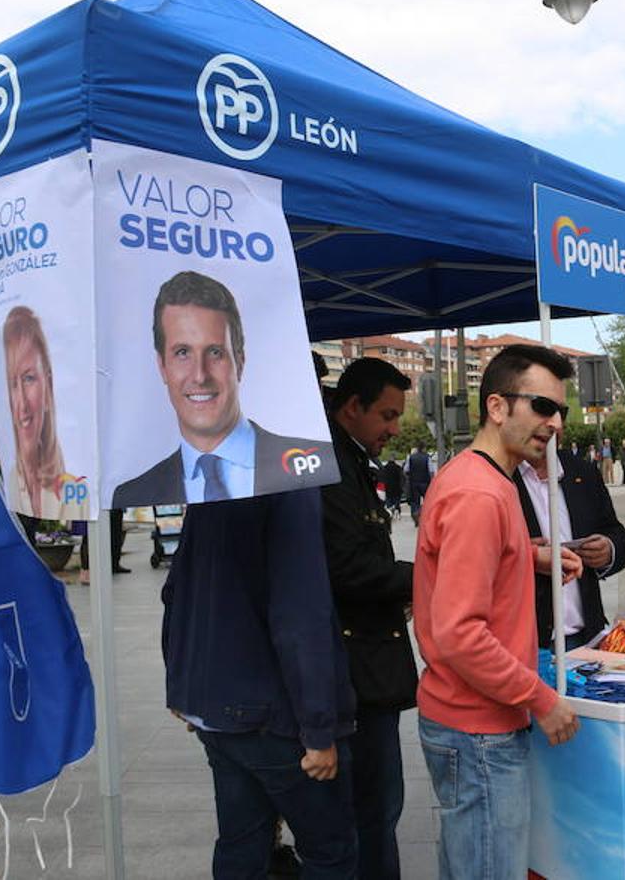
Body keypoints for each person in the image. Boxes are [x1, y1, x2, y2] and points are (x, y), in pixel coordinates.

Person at [415, 344, 583, 879]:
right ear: (496, 407)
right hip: (479, 730)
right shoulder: (480, 494)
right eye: (541, 406)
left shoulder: (485, 478)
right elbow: (460, 632)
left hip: (472, 725)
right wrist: (541, 698)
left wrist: (525, 558)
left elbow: (460, 570)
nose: (554, 423)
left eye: (559, 410)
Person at [163, 488, 358, 877]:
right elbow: (301, 615)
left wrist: (185, 687)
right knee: (330, 853)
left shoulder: (215, 479)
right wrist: (319, 730)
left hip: (217, 705)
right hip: (275, 713)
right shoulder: (289, 481)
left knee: (241, 846)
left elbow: (177, 590)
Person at [111, 271, 326, 508]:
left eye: (215, 352)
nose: (200, 375)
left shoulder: (311, 465)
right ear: (162, 366)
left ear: (240, 362)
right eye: (183, 352)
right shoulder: (132, 494)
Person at [322, 357, 417, 879]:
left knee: (376, 808)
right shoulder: (330, 468)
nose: (394, 429)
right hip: (354, 668)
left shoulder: (351, 461)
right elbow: (349, 567)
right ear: (351, 407)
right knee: (371, 810)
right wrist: (426, 577)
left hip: (368, 661)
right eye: (387, 415)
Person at [513, 433, 625, 649]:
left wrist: (608, 550)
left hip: (586, 638)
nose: (555, 424)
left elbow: (619, 536)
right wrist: (526, 555)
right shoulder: (498, 478)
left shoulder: (581, 471)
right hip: (527, 643)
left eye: (561, 413)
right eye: (543, 410)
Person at [3, 307, 81, 519]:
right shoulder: (3, 485)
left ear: (48, 384)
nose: (22, 404)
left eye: (29, 378)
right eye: (12, 383)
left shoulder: (77, 490)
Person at [405, 444, 432, 526]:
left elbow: (406, 469)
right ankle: (427, 516)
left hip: (414, 482)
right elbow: (431, 470)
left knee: (415, 501)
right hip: (425, 482)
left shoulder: (411, 457)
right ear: (424, 448)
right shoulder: (427, 457)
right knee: (427, 500)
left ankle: (415, 514)